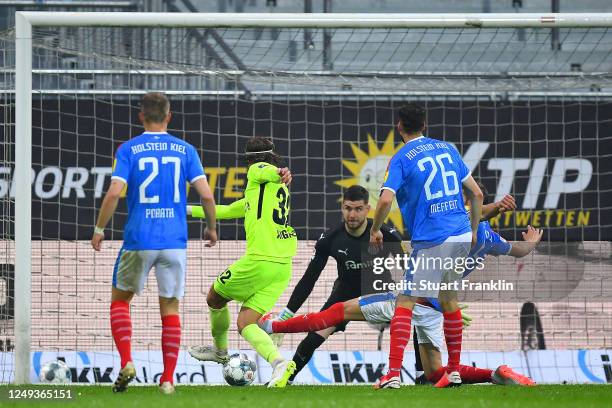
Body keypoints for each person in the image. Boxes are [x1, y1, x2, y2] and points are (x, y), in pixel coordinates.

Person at [260, 219, 542, 386]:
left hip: (411, 299)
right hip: (435, 310)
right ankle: (495, 374)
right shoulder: (488, 238)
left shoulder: (447, 227)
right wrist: (531, 243)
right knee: (435, 373)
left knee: (338, 310)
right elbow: (518, 250)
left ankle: (273, 326)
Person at [91, 92, 217, 394]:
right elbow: (207, 195)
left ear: (141, 116)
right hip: (174, 241)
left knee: (120, 301)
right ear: (169, 116)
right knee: (170, 308)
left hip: (138, 239)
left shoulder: (129, 149)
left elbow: (113, 193)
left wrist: (99, 229)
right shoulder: (185, 150)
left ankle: (126, 363)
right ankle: (168, 379)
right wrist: (211, 228)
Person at [369, 104, 484, 388]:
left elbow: (385, 200)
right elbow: (478, 193)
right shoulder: (448, 149)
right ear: (425, 124)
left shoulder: (400, 158)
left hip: (432, 238)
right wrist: (472, 230)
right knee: (448, 299)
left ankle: (393, 375)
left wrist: (374, 229)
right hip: (459, 232)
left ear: (399, 126)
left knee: (404, 302)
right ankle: (455, 369)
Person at [186, 137, 297, 388]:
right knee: (246, 323)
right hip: (282, 266)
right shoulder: (262, 194)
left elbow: (264, 169)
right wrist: (186, 210)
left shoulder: (259, 172)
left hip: (260, 260)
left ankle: (220, 351)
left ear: (250, 160)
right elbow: (225, 211)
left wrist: (278, 172)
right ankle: (279, 364)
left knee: (215, 297)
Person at [269, 185, 404, 383]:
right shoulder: (330, 239)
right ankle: (286, 379)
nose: (352, 214)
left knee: (418, 320)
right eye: (348, 208)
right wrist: (287, 313)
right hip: (345, 293)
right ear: (342, 208)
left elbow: (410, 270)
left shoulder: (386, 234)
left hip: (379, 291)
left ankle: (422, 377)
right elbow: (309, 279)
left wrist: (435, 303)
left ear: (368, 209)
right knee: (314, 336)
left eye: (358, 209)